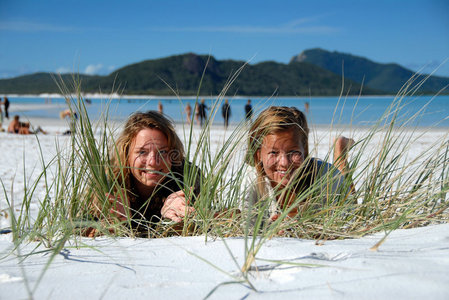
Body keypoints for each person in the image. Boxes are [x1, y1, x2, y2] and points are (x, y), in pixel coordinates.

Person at [88, 111, 200, 236]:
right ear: (126, 154)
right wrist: (114, 223)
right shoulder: (109, 179)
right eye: (142, 152)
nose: (153, 162)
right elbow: (77, 226)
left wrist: (177, 219)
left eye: (162, 152)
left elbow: (214, 221)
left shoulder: (188, 177)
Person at [241, 106, 354, 222]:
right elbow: (245, 225)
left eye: (293, 152)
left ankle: (340, 151)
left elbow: (349, 218)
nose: (284, 163)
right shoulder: (251, 181)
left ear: (304, 150)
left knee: (344, 180)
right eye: (273, 152)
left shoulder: (327, 175)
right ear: (258, 155)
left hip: (331, 180)